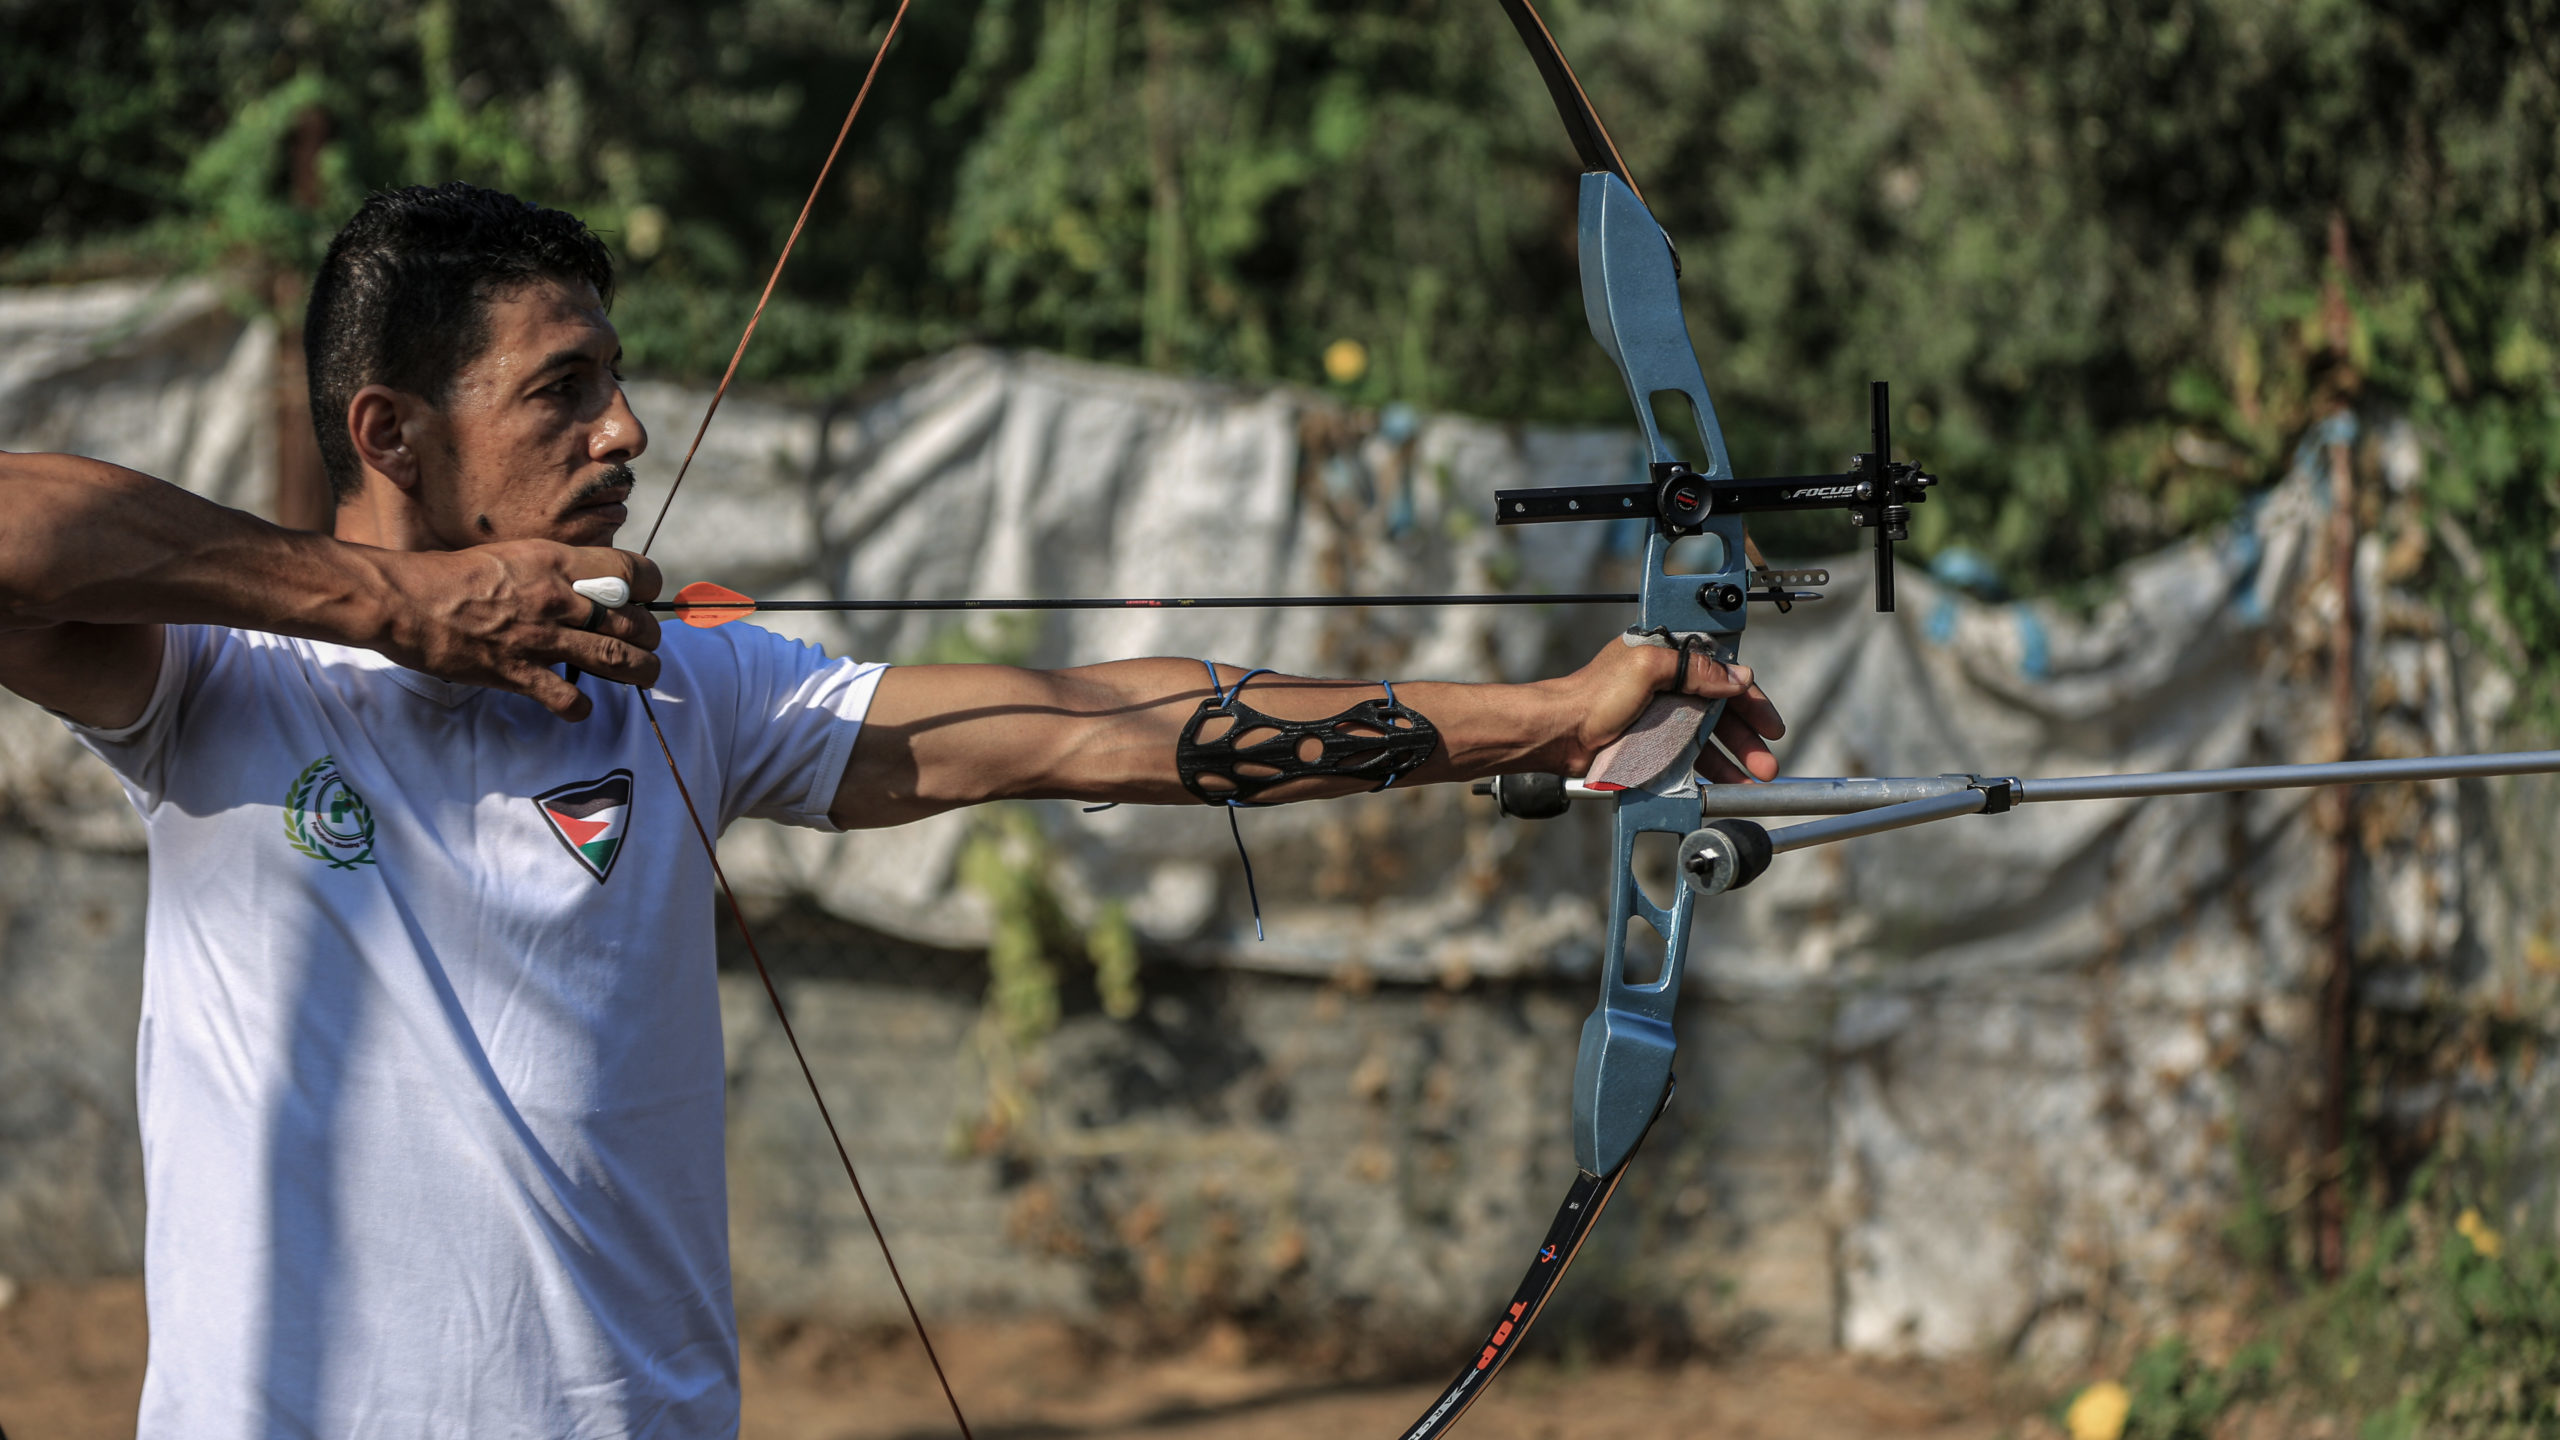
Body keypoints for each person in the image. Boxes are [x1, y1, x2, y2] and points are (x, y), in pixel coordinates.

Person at [0, 182, 1782, 1438]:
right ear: (391, 437)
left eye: (618, 383)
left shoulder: (680, 680)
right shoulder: (217, 686)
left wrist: (1539, 713)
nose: (624, 432)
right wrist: (388, 607)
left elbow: (1093, 728)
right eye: (561, 391)